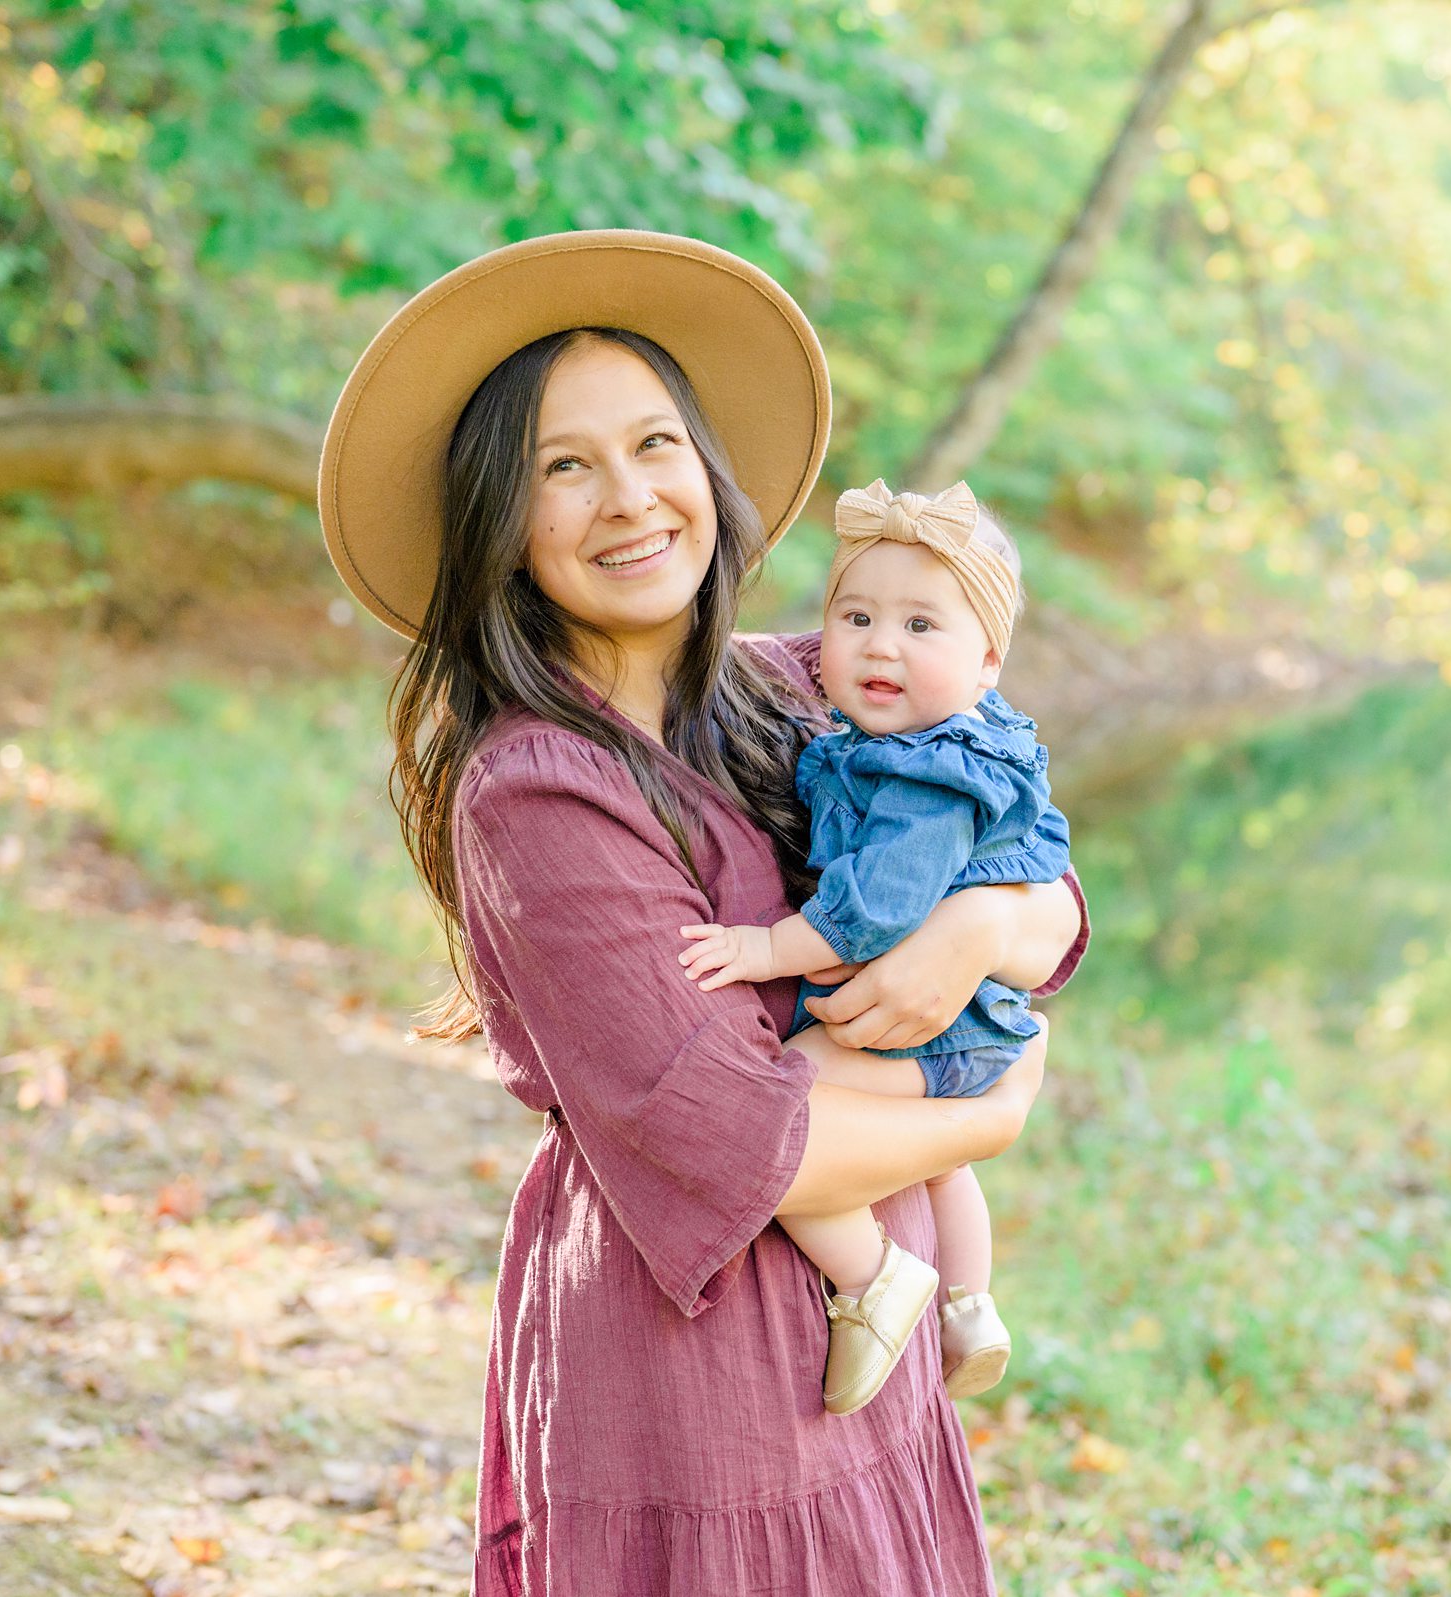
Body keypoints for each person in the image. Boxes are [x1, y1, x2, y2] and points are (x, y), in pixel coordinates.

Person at [316, 231, 1089, 1596]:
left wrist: (979, 932)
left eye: (655, 443)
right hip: (697, 1387)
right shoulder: (537, 794)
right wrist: (994, 1110)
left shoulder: (798, 684)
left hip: (874, 1364)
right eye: (565, 466)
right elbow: (744, 1141)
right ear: (505, 519)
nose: (629, 498)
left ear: (709, 473)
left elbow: (1043, 877)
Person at [680, 477, 1071, 1417]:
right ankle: (972, 1307)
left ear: (990, 660)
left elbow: (880, 908)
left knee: (780, 1106)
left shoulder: (929, 774)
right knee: (945, 1161)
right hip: (972, 1022)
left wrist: (765, 947)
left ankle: (877, 1274)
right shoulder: (932, 744)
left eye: (921, 627)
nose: (880, 644)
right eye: (854, 616)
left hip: (938, 1025)